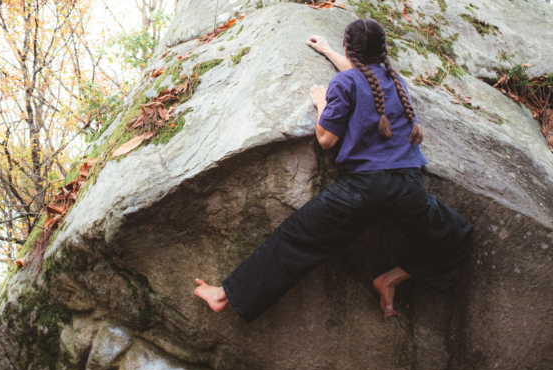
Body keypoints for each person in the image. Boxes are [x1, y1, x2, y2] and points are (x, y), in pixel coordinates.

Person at [194, 18, 474, 322]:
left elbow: (326, 140)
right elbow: (362, 76)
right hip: (408, 187)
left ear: (347, 48)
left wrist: (322, 104)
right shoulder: (396, 82)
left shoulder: (346, 83)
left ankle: (223, 295)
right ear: (383, 52)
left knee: (296, 238)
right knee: (458, 234)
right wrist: (327, 51)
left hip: (362, 190)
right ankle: (390, 279)